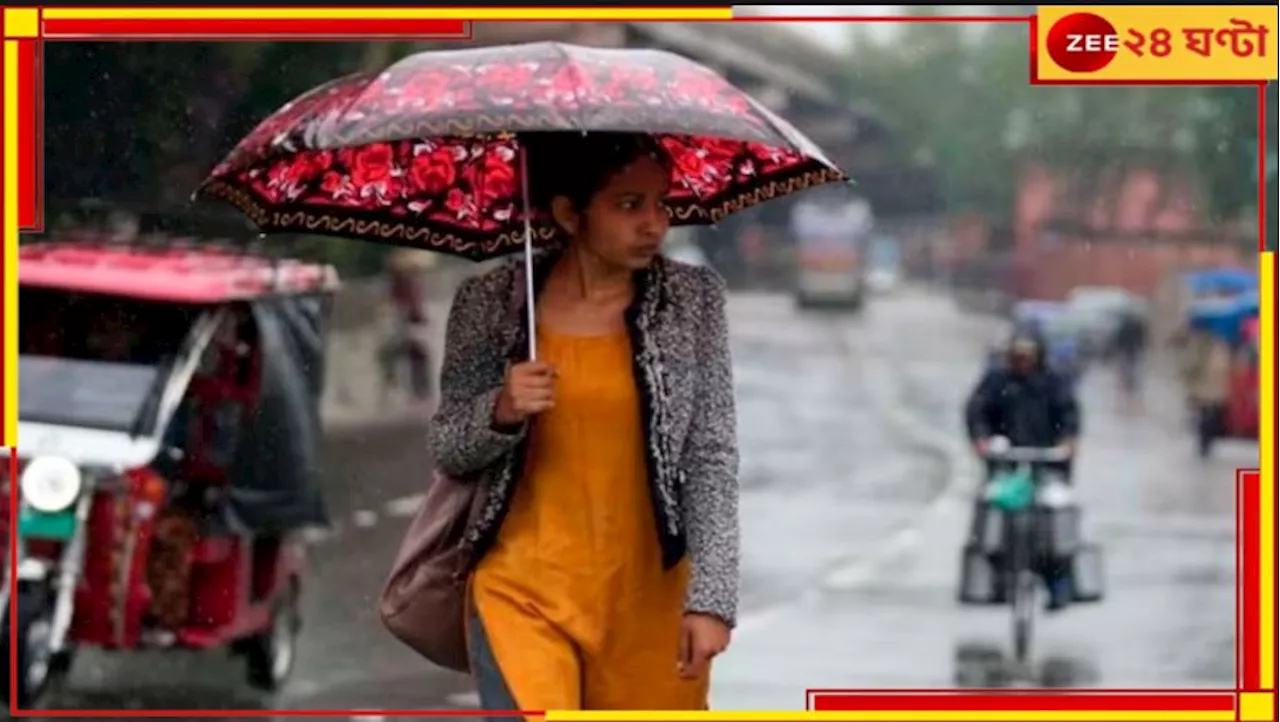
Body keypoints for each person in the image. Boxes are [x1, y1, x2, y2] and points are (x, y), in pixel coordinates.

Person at [427, 133, 740, 714]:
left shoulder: (694, 301)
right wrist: (499, 409)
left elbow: (711, 456)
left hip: (649, 601)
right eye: (628, 205)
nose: (654, 224)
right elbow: (449, 448)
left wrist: (712, 600)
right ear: (570, 213)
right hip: (522, 591)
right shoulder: (490, 304)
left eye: (661, 203)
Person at [964, 331, 1081, 611]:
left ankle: (1059, 583)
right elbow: (977, 411)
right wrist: (982, 440)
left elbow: (1069, 415)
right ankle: (993, 576)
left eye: (1029, 356)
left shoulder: (1053, 382)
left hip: (1047, 466)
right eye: (1018, 356)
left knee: (1057, 515)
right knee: (991, 510)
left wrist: (1067, 442)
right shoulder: (997, 381)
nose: (1023, 362)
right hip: (1005, 467)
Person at [1112, 309, 1149, 405]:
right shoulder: (1135, 326)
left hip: (1129, 349)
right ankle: (1130, 383)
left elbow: (1120, 339)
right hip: (1131, 349)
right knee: (1130, 367)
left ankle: (1129, 383)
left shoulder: (1127, 327)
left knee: (1129, 367)